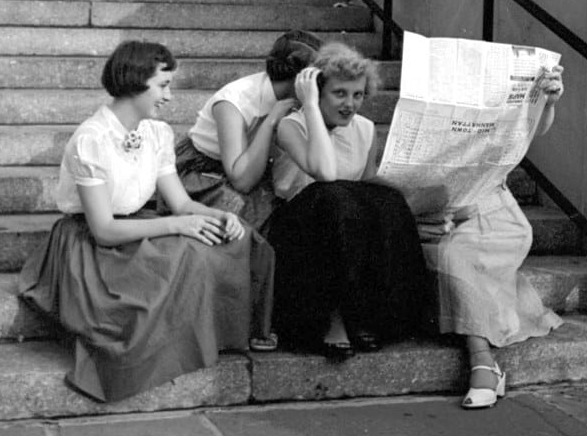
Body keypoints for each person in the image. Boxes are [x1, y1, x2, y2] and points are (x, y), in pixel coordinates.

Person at [18, 40, 275, 402]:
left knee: (236, 237)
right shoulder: (92, 139)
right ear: (135, 83)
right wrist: (175, 226)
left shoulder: (156, 133)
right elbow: (104, 230)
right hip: (93, 245)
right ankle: (167, 348)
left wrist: (221, 215)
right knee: (185, 256)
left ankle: (219, 336)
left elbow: (182, 204)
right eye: (163, 85)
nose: (169, 96)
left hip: (139, 225)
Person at [264, 41, 434, 360]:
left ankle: (373, 315)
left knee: (385, 200)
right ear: (317, 91)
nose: (350, 104)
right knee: (333, 197)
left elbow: (366, 179)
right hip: (301, 231)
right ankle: (334, 319)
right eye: (339, 93)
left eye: (357, 95)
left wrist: (416, 187)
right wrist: (311, 108)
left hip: (348, 227)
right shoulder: (292, 125)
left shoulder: (366, 129)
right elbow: (325, 174)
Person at [426, 64, 566, 409]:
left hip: (495, 210)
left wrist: (547, 103)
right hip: (440, 208)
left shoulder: (493, 116)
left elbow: (530, 133)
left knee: (453, 255)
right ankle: (485, 364)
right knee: (449, 253)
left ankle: (482, 361)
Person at [174, 29, 322, 230]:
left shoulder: (300, 100)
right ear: (299, 75)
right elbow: (242, 180)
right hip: (203, 173)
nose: (318, 87)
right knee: (243, 215)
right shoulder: (235, 101)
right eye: (315, 78)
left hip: (252, 170)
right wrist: (270, 122)